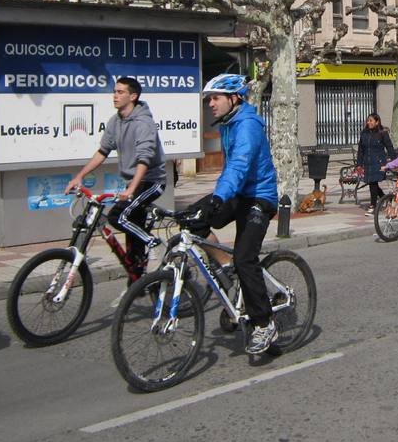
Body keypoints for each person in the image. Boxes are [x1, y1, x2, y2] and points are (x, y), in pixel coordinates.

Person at [181, 73, 279, 355]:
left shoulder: (247, 125)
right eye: (208, 99)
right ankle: (226, 267)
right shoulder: (228, 123)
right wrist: (210, 201)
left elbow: (239, 166)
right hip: (238, 194)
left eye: (215, 98)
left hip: (260, 196)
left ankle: (265, 323)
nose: (210, 103)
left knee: (246, 258)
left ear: (233, 98)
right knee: (193, 220)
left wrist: (218, 197)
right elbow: (231, 174)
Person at [67, 76, 169, 270]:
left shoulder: (143, 123)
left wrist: (131, 188)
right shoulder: (116, 121)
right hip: (133, 183)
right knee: (133, 246)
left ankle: (155, 243)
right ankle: (140, 282)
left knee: (118, 216)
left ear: (133, 96)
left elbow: (144, 159)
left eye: (120, 92)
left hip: (151, 182)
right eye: (114, 91)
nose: (115, 96)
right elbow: (102, 152)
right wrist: (79, 176)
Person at [356, 112, 396, 215]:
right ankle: (384, 198)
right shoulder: (364, 134)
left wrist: (395, 161)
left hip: (379, 163)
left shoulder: (382, 133)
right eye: (368, 120)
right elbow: (361, 150)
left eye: (371, 120)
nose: (368, 122)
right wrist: (359, 164)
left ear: (377, 122)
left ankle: (373, 205)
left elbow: (389, 147)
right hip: (368, 163)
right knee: (371, 182)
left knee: (373, 183)